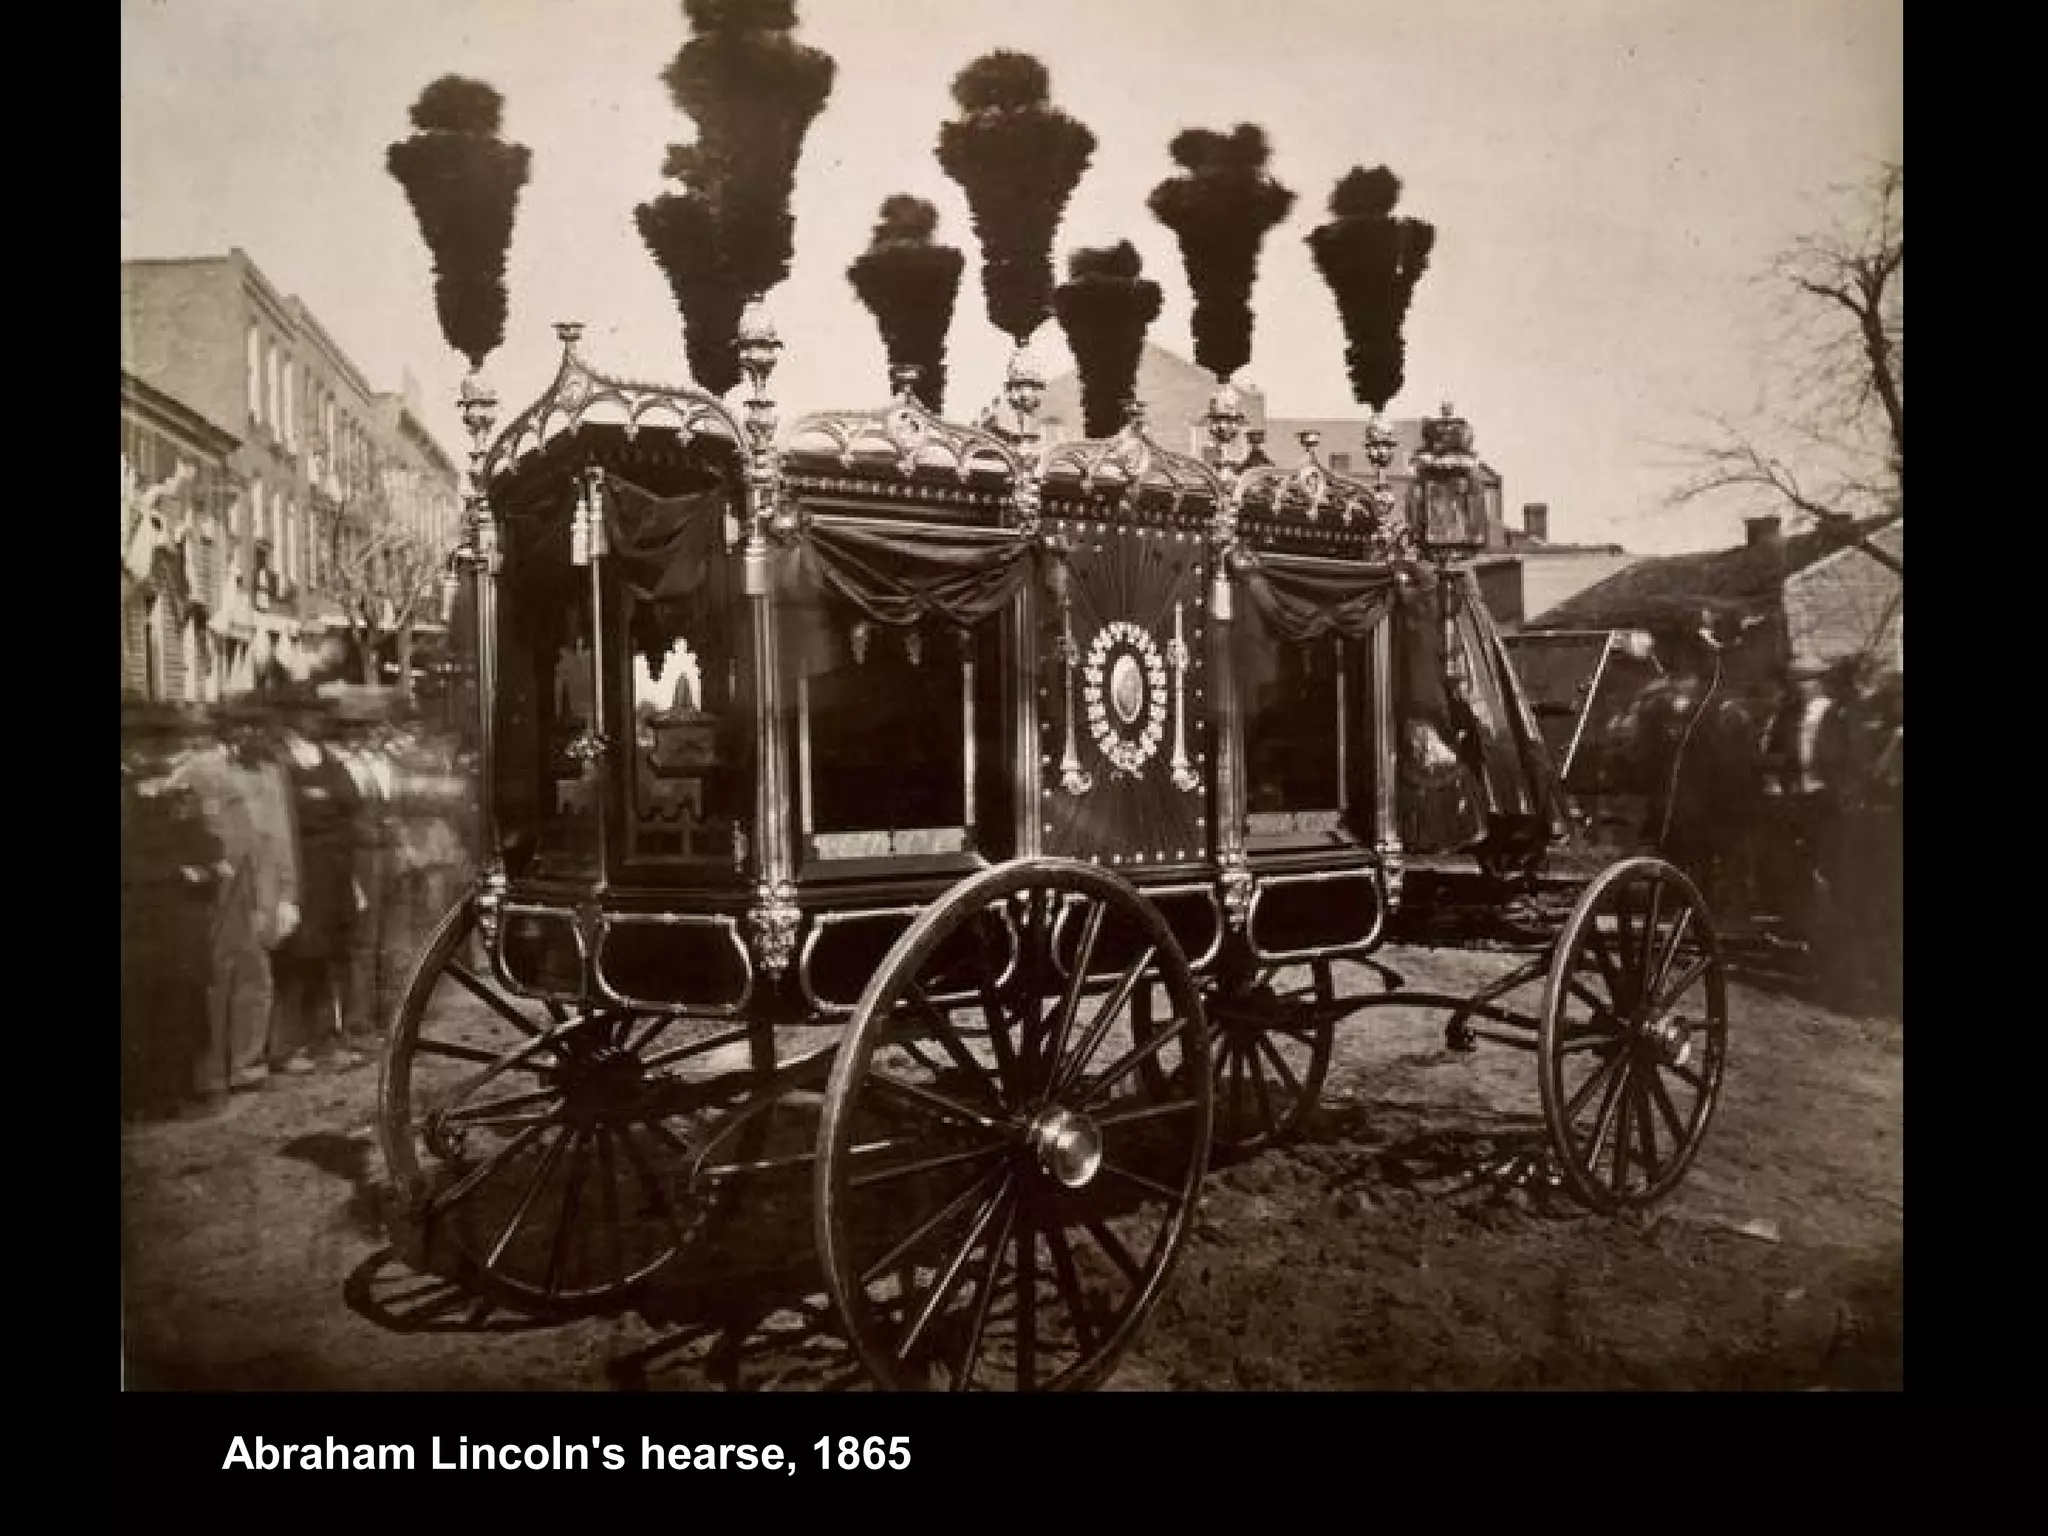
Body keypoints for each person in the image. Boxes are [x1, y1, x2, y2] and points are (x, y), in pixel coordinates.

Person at [166, 700, 301, 1104]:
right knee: (216, 977)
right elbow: (181, 831)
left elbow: (282, 837)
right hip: (218, 886)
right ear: (226, 731)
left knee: (255, 975)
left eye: (258, 727)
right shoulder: (195, 771)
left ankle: (247, 1065)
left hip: (259, 885)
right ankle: (211, 1072)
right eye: (242, 727)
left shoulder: (272, 773)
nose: (251, 735)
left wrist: (287, 894)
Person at [267, 691, 366, 1074]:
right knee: (297, 959)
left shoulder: (329, 760)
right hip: (301, 868)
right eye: (310, 714)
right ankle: (288, 1046)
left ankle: (327, 1039)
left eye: (321, 714)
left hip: (336, 870)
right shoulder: (281, 762)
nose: (318, 721)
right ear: (294, 718)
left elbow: (350, 804)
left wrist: (352, 879)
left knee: (331, 956)